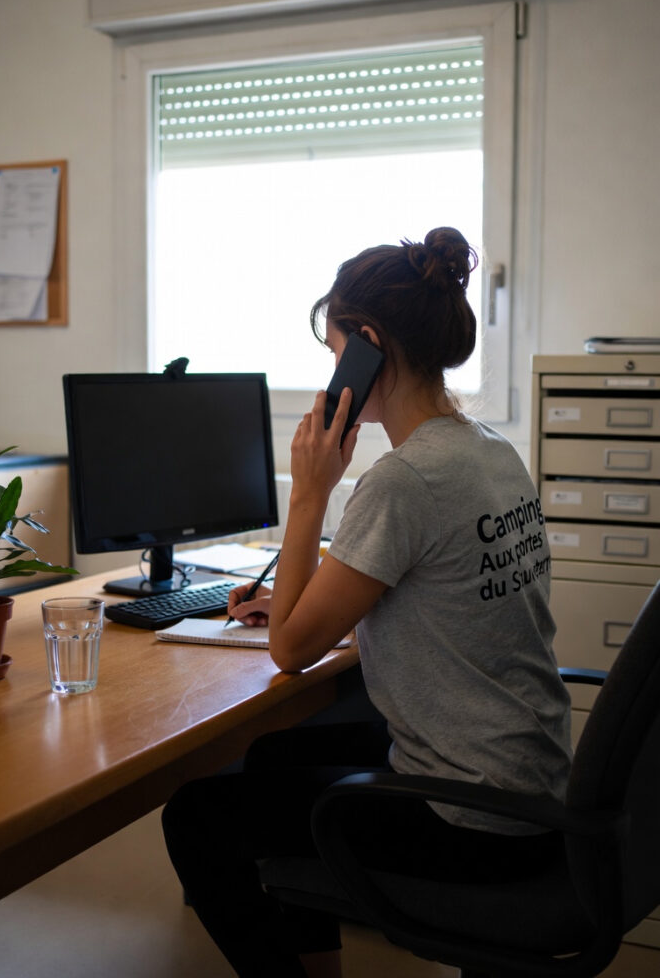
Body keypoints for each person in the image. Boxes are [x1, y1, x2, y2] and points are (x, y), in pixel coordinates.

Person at [162, 226, 572, 978]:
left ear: (368, 345)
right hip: (531, 784)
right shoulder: (487, 449)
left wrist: (311, 493)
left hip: (469, 818)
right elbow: (428, 590)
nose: (330, 375)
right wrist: (315, 588)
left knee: (196, 816)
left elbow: (288, 650)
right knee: (274, 756)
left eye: (334, 353)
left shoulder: (401, 481)